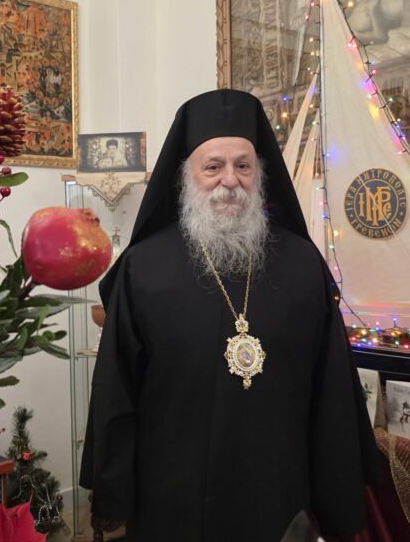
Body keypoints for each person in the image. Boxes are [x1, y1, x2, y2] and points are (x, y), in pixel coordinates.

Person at [80, 89, 379, 541]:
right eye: (213, 167)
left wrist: (335, 499)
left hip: (278, 497)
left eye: (243, 166)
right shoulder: (144, 268)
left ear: (259, 174)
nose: (230, 180)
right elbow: (116, 389)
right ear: (187, 176)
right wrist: (114, 494)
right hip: (170, 496)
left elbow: (332, 390)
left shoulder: (303, 265)